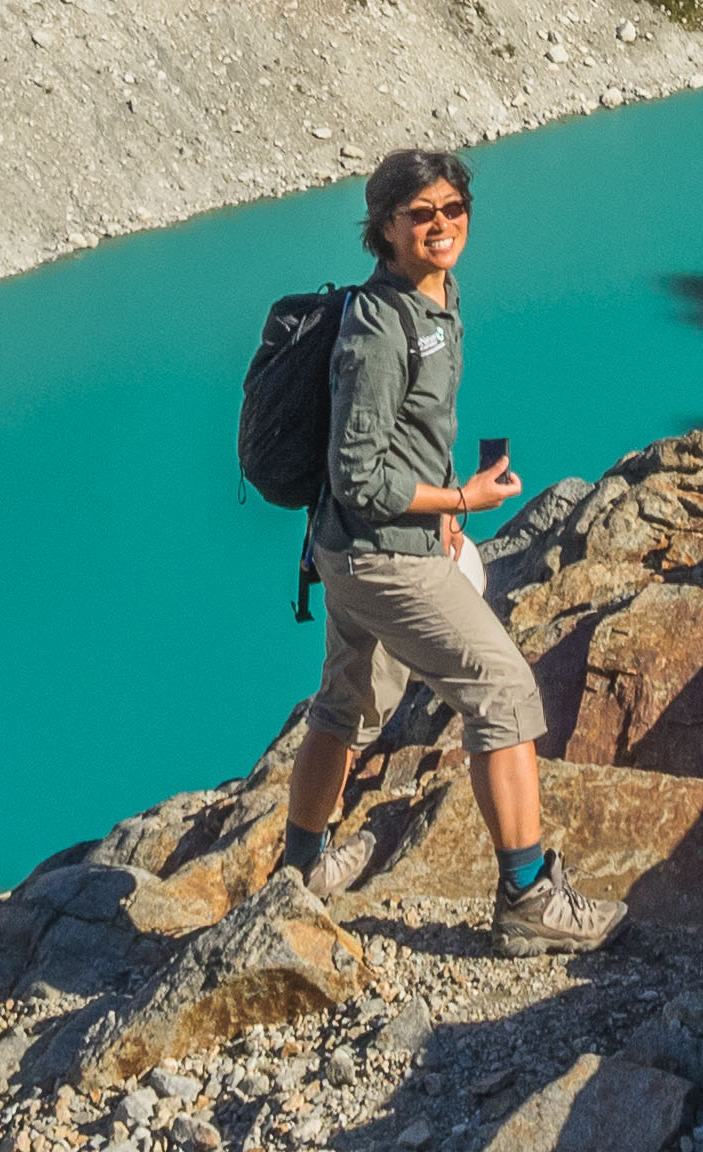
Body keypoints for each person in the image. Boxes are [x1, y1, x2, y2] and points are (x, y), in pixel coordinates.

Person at [280, 144, 617, 949]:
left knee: (346, 705)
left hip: (371, 546)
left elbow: (404, 438)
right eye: (420, 214)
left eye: (453, 210)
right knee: (502, 694)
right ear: (385, 228)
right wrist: (461, 497)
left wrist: (443, 505)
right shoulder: (378, 327)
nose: (441, 225)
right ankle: (528, 897)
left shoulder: (437, 299)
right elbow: (358, 474)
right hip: (379, 556)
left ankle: (302, 872)